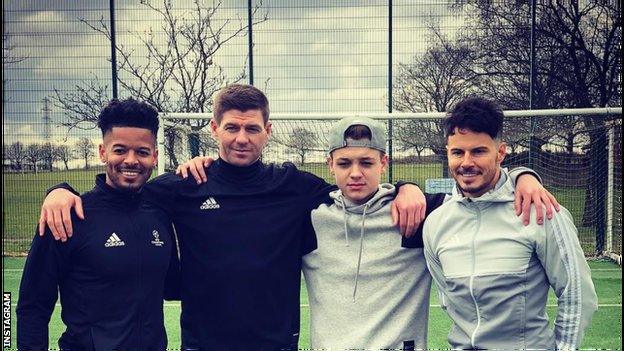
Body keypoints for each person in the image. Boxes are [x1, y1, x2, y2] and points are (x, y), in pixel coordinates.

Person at [39, 84, 557, 350]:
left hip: (276, 345)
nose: (242, 137)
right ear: (214, 130)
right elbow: (114, 197)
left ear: (269, 131)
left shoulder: (298, 188)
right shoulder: (176, 190)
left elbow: (436, 187)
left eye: (253, 128)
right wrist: (59, 189)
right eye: (232, 127)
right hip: (202, 344)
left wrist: (520, 173)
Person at [423, 97, 598, 350]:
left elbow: (577, 295)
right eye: (457, 152)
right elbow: (448, 299)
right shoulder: (437, 223)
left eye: (479, 151)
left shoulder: (541, 210)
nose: (466, 163)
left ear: (501, 152)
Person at [17, 98, 180, 350]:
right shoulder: (67, 216)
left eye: (142, 152)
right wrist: (57, 189)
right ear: (103, 152)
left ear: (155, 156)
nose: (131, 160)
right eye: (120, 150)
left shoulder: (159, 212)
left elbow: (173, 287)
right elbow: (32, 306)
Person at [301, 116, 446, 349]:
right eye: (344, 163)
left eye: (366, 163)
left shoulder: (416, 212)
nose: (355, 173)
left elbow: (478, 198)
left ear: (383, 162)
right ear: (330, 164)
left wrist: (522, 177)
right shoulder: (310, 216)